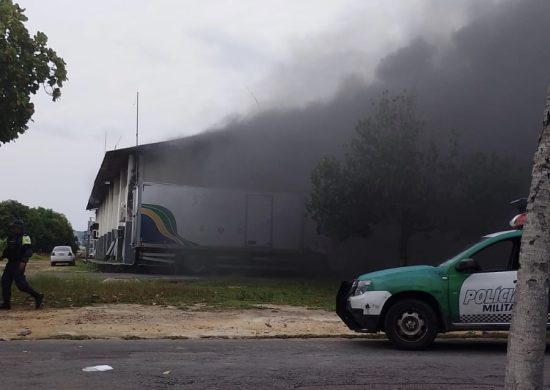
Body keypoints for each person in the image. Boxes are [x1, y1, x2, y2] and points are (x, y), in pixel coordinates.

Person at [0, 219, 44, 310]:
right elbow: (7, 250)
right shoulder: (11, 237)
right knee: (5, 282)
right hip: (10, 263)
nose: (13, 229)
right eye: (13, 227)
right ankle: (6, 304)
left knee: (21, 285)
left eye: (15, 227)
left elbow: (28, 250)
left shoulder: (25, 237)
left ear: (20, 228)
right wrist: (2, 257)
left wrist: (23, 261)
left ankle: (37, 296)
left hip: (19, 263)